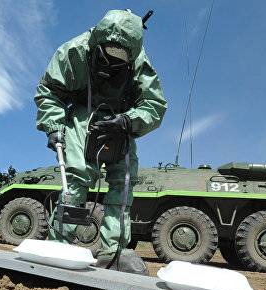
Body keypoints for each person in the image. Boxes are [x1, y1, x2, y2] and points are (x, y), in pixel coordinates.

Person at [34, 9, 167, 269]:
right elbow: (49, 90)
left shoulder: (139, 61)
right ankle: (59, 244)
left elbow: (154, 104)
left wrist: (129, 121)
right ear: (96, 42)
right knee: (76, 178)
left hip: (122, 120)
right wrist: (54, 126)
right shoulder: (74, 51)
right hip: (84, 114)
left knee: (124, 182)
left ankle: (115, 252)